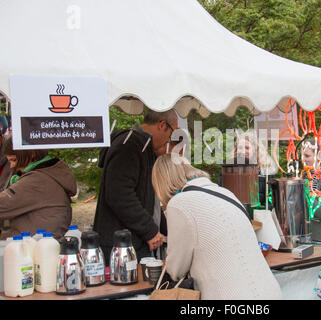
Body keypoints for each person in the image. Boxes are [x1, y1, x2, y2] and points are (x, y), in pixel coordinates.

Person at [152, 153, 283, 300]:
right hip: (269, 292)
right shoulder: (225, 193)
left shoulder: (180, 202)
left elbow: (176, 269)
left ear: (162, 182)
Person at [93, 108, 178, 264]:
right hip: (120, 248)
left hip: (132, 243)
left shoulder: (144, 147)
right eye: (172, 132)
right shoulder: (129, 145)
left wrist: (168, 232)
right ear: (162, 125)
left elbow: (147, 200)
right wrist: (149, 230)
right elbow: (119, 194)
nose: (170, 138)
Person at [0, 135, 77, 240]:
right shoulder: (46, 173)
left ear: (31, 154)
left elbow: (3, 204)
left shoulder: (37, 180)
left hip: (34, 248)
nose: (11, 166)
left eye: (13, 160)